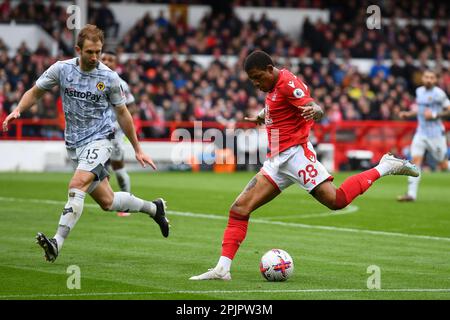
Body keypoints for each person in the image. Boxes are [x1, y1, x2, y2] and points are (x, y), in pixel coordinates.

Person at [189, 50, 419, 281]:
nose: (257, 83)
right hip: (277, 161)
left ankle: (385, 166)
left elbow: (312, 105)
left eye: (258, 77)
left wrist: (316, 111)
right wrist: (263, 115)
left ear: (270, 69)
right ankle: (222, 269)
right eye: (252, 80)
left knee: (336, 201)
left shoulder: (288, 82)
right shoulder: (273, 87)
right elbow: (278, 103)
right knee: (239, 209)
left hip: (296, 155)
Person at [2, 25, 170, 263]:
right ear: (78, 49)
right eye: (90, 52)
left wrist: (138, 148)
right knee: (108, 201)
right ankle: (155, 209)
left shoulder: (109, 77)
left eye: (98, 52)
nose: (94, 57)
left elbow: (123, 113)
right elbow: (36, 91)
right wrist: (18, 109)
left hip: (101, 140)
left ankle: (56, 243)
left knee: (77, 183)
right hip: (74, 144)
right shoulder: (62, 69)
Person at [397, 70, 450, 202]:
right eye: (426, 77)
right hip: (421, 133)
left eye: (431, 78)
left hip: (436, 134)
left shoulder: (439, 94)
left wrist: (434, 115)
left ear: (435, 80)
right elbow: (420, 111)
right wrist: (408, 114)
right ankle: (411, 194)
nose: (428, 80)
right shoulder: (419, 91)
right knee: (415, 162)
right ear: (423, 78)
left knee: (443, 165)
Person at [101, 51, 135, 216]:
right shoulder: (92, 79)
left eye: (110, 60)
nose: (107, 62)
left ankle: (125, 204)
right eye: (104, 59)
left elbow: (131, 107)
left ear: (116, 63)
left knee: (118, 168)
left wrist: (119, 124)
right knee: (98, 168)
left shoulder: (121, 83)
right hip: (96, 133)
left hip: (114, 134)